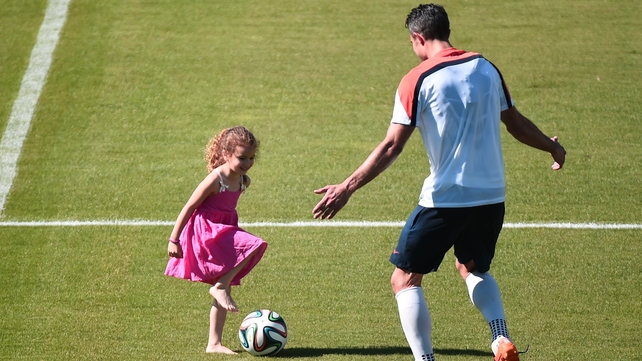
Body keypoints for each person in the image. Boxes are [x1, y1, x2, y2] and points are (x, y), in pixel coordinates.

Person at [312, 4, 565, 361]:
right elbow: (516, 123)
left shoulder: (417, 79)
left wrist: (347, 187)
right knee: (472, 267)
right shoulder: (486, 67)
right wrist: (552, 147)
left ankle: (424, 359)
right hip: (491, 196)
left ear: (418, 38)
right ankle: (501, 337)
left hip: (445, 199)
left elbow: (391, 146)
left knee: (404, 280)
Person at [166, 126, 268, 354]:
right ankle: (221, 286)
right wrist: (174, 239)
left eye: (251, 158)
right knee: (254, 245)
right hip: (206, 232)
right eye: (242, 158)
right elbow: (189, 207)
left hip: (223, 229)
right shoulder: (215, 179)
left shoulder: (244, 180)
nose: (247, 163)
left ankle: (214, 344)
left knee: (225, 287)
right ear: (226, 154)